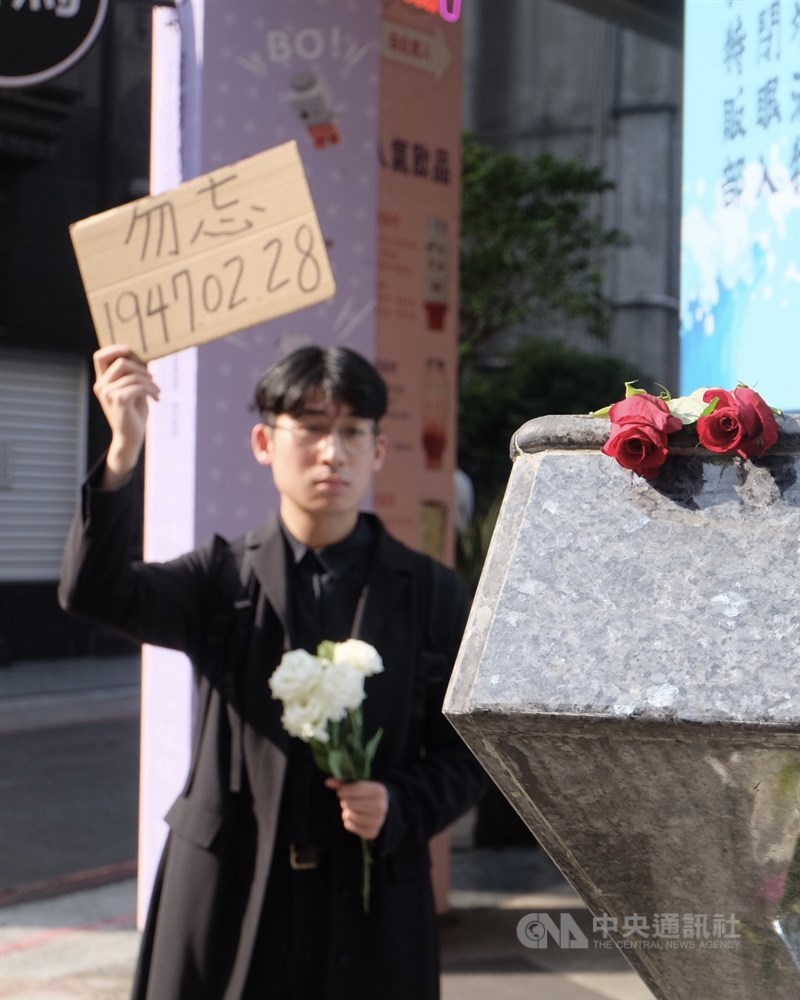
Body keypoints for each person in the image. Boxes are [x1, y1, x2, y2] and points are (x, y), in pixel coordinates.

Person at [59, 343, 487, 1000]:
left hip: (369, 902)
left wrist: (402, 803)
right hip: (229, 896)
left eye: (351, 432)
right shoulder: (220, 578)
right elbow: (94, 592)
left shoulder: (430, 593)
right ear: (264, 441)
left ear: (377, 450)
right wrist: (123, 452)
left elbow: (473, 754)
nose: (331, 452)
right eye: (311, 428)